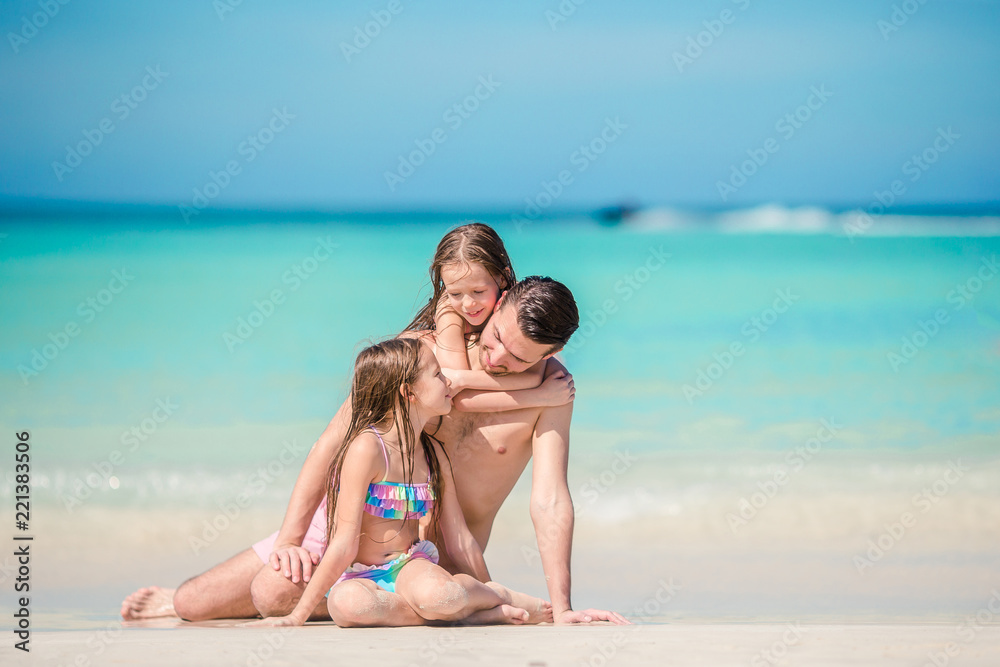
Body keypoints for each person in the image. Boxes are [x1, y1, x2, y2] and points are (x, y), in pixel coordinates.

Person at [122, 228, 625, 625]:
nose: (496, 356)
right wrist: (290, 540)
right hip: (351, 527)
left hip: (434, 558)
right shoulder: (422, 357)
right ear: (504, 298)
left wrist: (563, 607)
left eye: (517, 359)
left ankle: (439, 607)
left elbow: (550, 499)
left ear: (551, 353)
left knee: (275, 595)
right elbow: (332, 443)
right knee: (195, 601)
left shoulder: (555, 391)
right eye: (494, 336)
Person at [248, 337, 549, 627]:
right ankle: (467, 615)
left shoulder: (431, 453)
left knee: (441, 597)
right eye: (438, 375)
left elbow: (459, 539)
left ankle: (499, 596)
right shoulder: (367, 448)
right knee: (344, 606)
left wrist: (488, 589)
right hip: (360, 576)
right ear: (409, 392)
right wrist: (297, 615)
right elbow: (343, 543)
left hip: (410, 566)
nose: (449, 382)